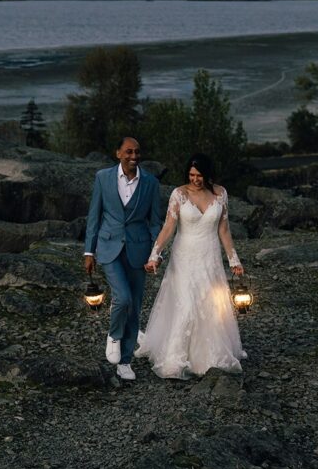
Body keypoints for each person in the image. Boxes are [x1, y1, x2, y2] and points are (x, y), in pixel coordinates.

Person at [135, 153, 246, 379]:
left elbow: (224, 230)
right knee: (186, 303)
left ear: (208, 175)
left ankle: (209, 357)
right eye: (192, 175)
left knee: (210, 304)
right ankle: (175, 359)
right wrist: (154, 254)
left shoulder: (220, 193)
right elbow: (168, 228)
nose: (195, 179)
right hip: (184, 256)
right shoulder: (179, 194)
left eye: (199, 175)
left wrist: (234, 259)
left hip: (210, 256)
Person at [84, 137, 162, 381]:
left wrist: (155, 253)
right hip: (109, 248)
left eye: (138, 152)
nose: (134, 156)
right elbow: (94, 215)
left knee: (135, 306)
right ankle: (114, 335)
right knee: (123, 297)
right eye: (129, 151)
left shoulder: (150, 182)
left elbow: (155, 221)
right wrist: (89, 251)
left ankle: (125, 361)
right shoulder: (102, 177)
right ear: (118, 153)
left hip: (139, 251)